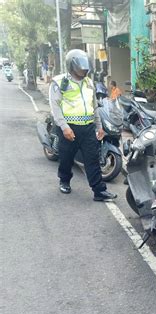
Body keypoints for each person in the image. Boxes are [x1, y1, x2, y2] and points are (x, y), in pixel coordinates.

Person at [49, 49, 117, 201]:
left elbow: (94, 107)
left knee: (92, 159)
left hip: (87, 128)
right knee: (66, 158)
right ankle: (64, 181)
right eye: (81, 67)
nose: (84, 70)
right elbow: (55, 107)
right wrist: (64, 127)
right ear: (72, 66)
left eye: (86, 67)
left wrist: (99, 126)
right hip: (69, 128)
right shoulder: (60, 83)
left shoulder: (89, 83)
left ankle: (99, 191)